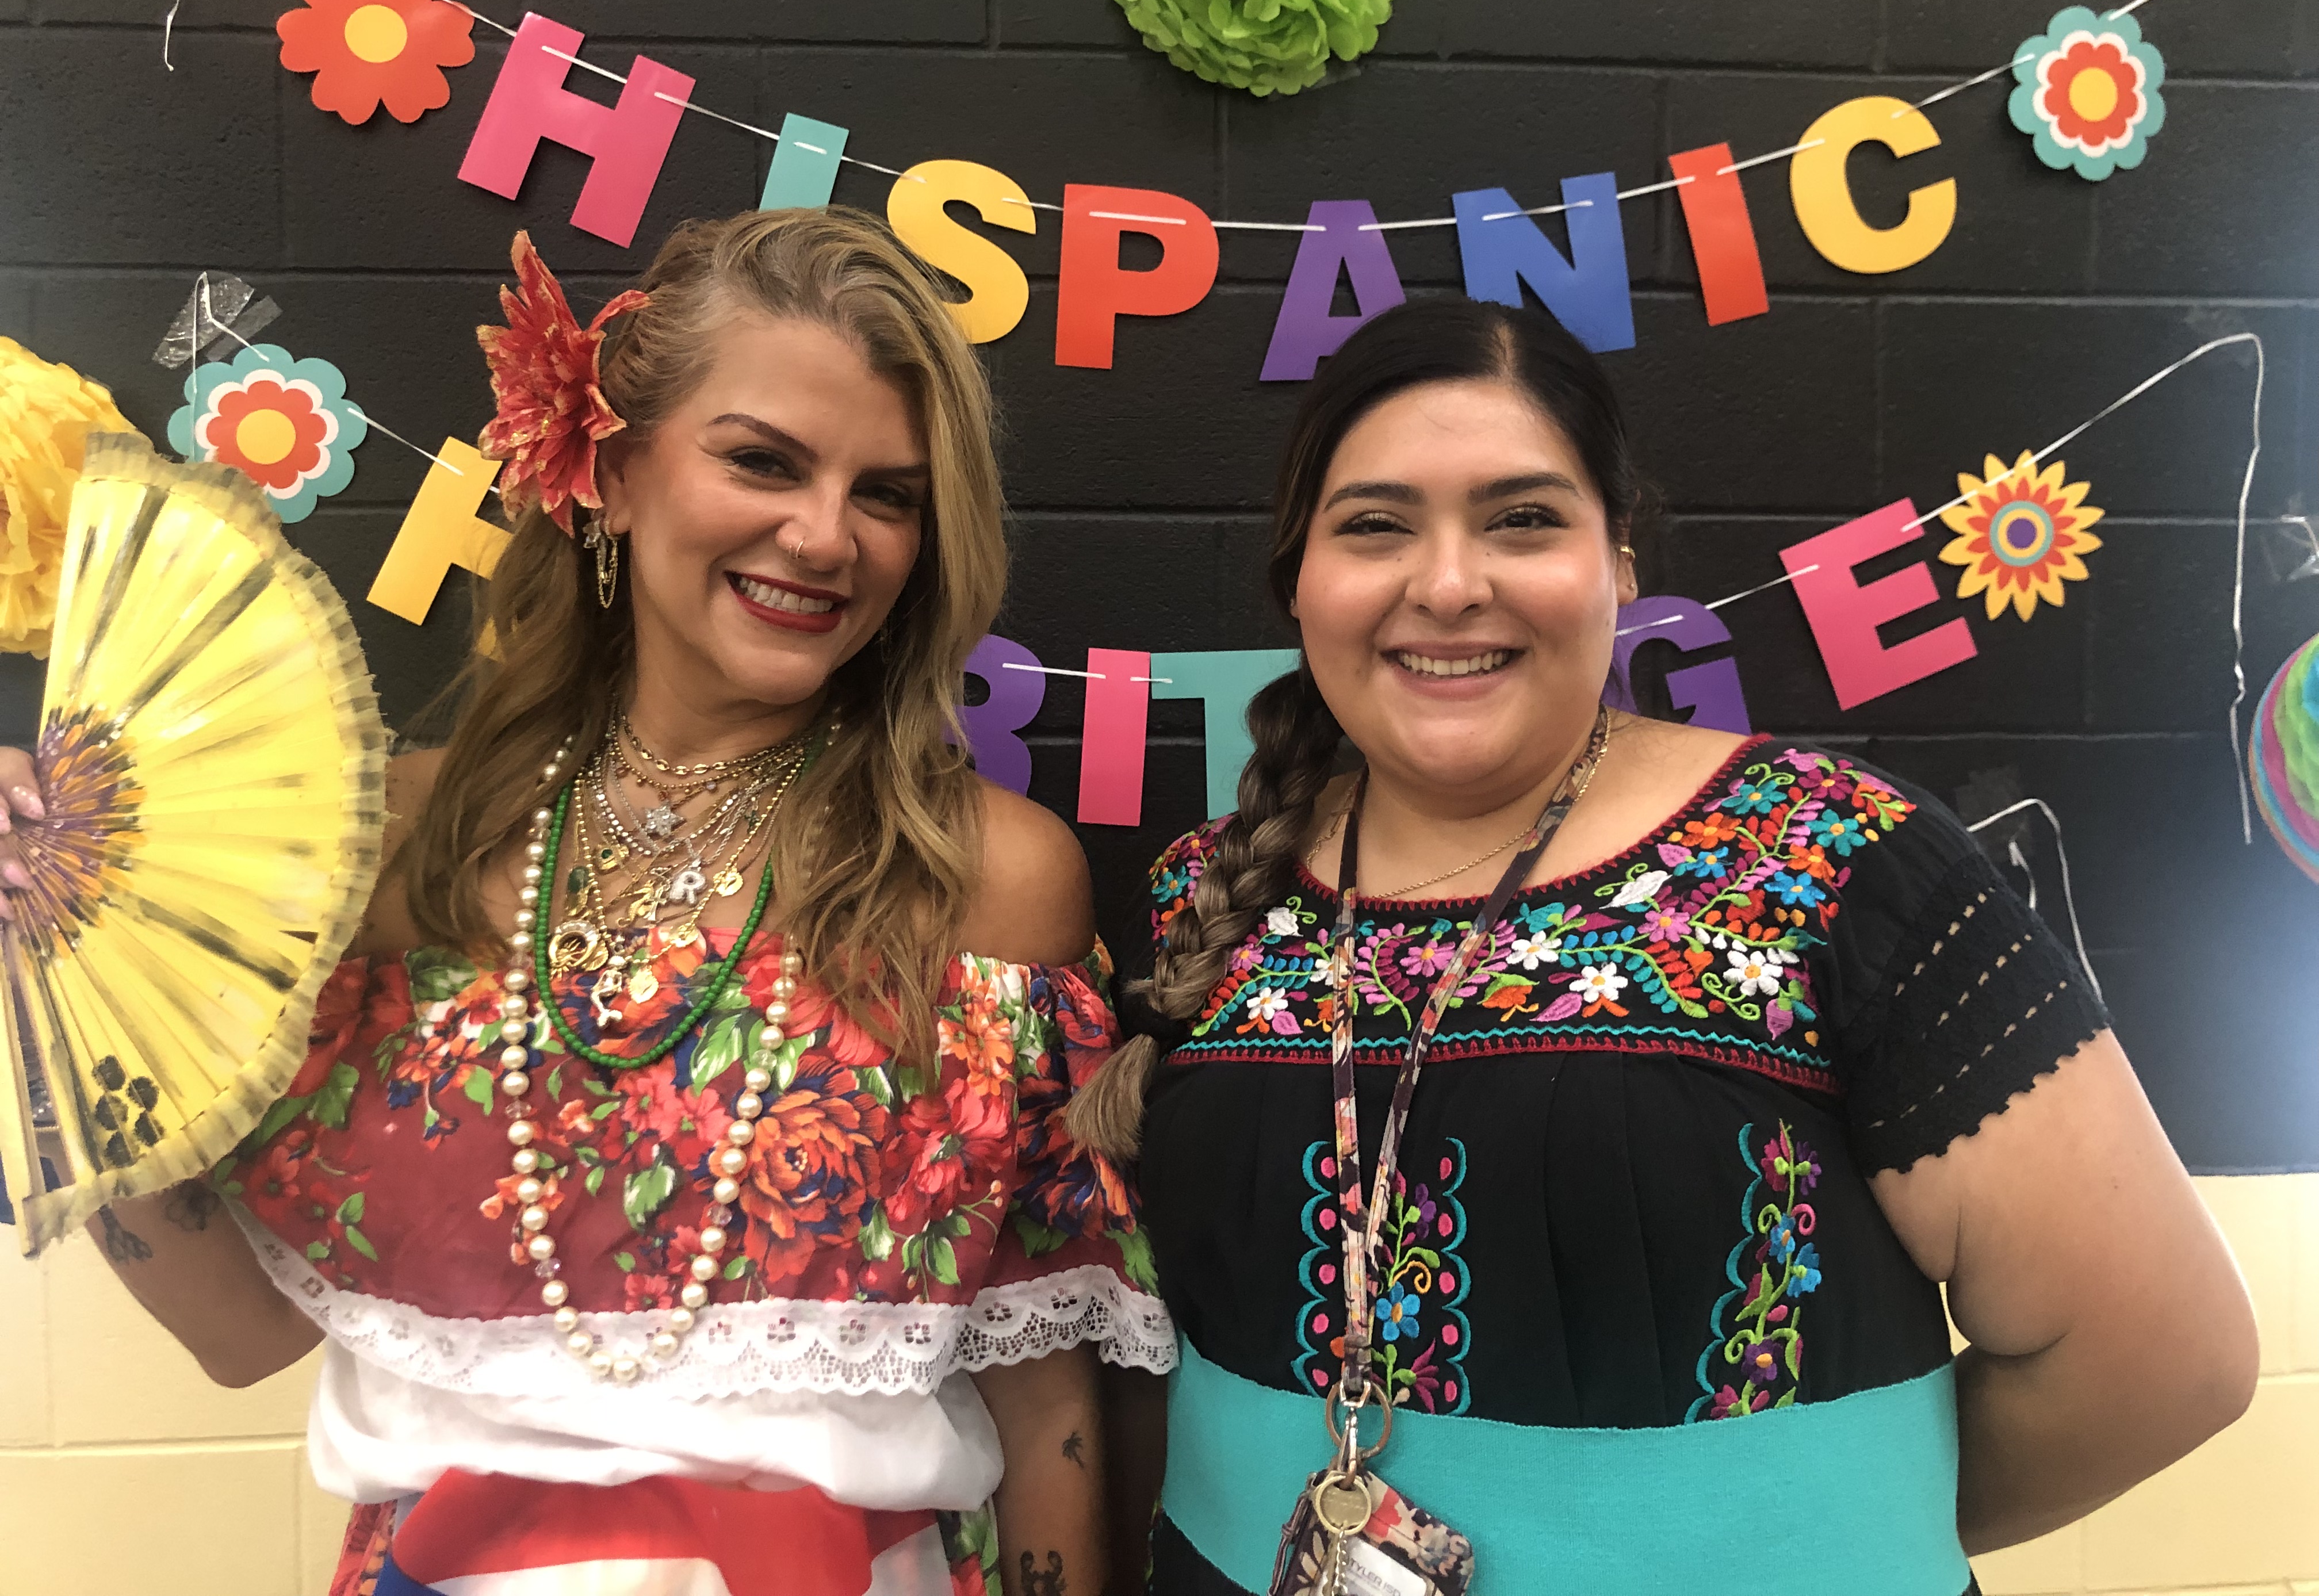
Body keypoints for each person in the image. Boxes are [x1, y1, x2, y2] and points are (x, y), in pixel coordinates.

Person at [0, 208, 1172, 1596]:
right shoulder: (389, 845)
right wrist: (58, 966)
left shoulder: (984, 882)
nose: (823, 535)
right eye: (762, 461)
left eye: (888, 495)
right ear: (607, 475)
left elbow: (1045, 1406)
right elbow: (240, 1335)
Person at [1076, 297, 2259, 1596]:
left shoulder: (1832, 862)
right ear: (1299, 575)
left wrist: (1777, 1535)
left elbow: (2159, 1360)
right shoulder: (1206, 892)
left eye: (1524, 519)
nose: (1450, 582)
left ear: (1621, 559)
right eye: (1375, 526)